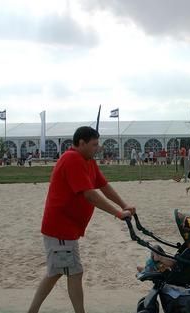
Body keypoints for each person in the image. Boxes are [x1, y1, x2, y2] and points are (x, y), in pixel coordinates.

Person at [27, 126, 136, 313]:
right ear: (81, 143)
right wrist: (118, 214)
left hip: (66, 229)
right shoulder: (72, 159)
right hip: (60, 228)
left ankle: (32, 311)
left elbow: (103, 185)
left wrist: (123, 205)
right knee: (74, 272)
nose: (97, 148)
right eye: (94, 144)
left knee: (55, 273)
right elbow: (90, 195)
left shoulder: (88, 160)